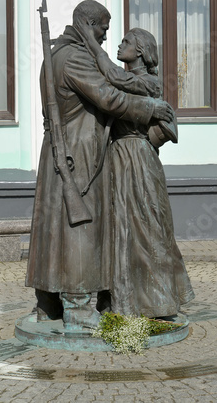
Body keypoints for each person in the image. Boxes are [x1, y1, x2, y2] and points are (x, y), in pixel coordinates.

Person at [25, 0, 174, 329]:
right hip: (78, 155)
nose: (106, 37)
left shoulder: (56, 54)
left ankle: (47, 305)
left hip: (60, 153)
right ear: (87, 23)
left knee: (54, 232)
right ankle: (77, 309)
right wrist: (151, 109)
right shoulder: (75, 57)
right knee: (81, 232)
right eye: (103, 29)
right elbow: (108, 96)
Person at [80, 24, 195, 318]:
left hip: (139, 161)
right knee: (120, 229)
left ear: (141, 51)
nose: (119, 46)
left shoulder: (147, 82)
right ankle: (121, 300)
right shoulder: (123, 81)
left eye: (126, 42)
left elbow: (115, 76)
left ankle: (157, 300)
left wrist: (92, 45)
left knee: (148, 228)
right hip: (116, 159)